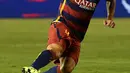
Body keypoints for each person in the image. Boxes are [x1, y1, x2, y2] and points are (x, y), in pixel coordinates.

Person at [22, 0, 116, 73]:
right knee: (56, 49)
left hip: (77, 35)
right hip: (62, 24)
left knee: (66, 68)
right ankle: (32, 68)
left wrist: (109, 18)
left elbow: (111, 1)